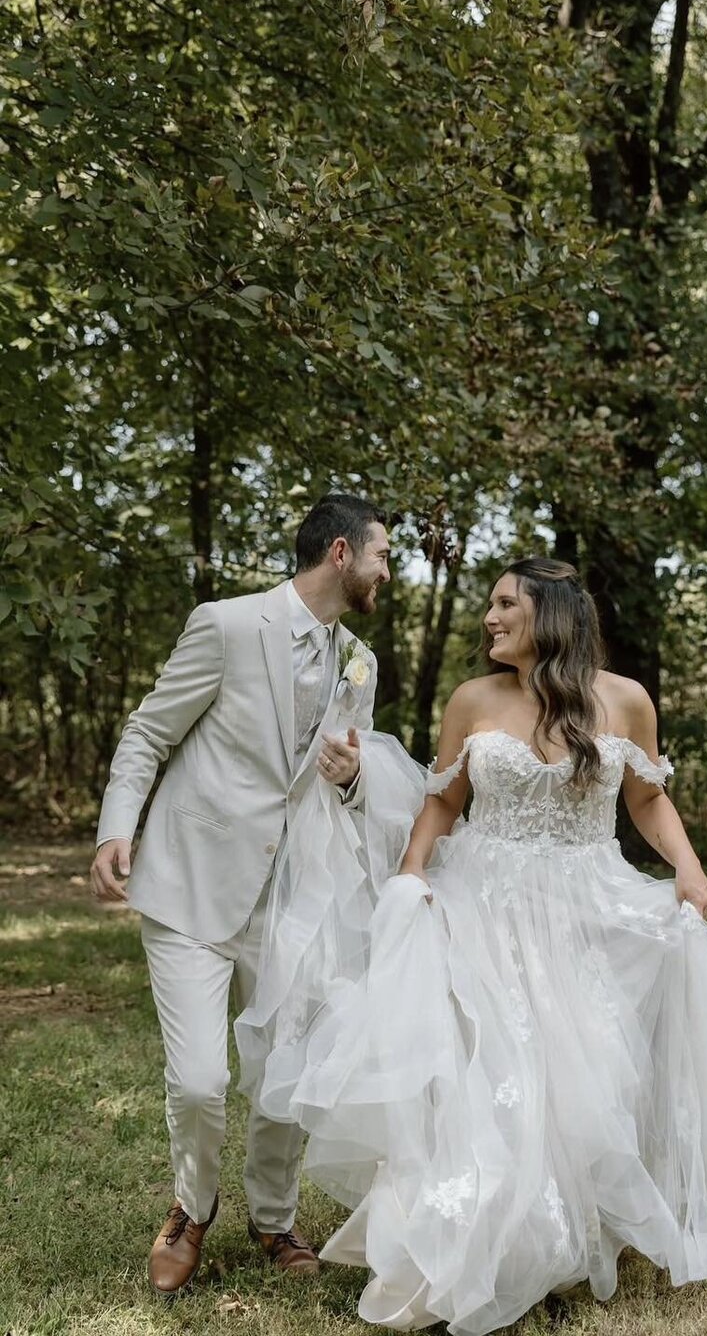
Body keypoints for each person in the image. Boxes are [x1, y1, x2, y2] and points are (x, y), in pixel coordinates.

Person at [239, 555, 707, 1336]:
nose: (490, 617)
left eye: (505, 604)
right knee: (496, 1075)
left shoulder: (625, 701)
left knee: (584, 1072)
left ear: (552, 611)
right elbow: (442, 802)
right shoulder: (472, 700)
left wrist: (690, 869)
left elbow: (646, 796)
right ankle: (491, 1240)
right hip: (485, 901)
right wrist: (410, 878)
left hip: (586, 900)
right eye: (490, 605)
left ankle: (573, 1233)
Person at [89, 493, 390, 1296]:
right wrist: (117, 824)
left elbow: (350, 780)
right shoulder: (224, 624)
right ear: (338, 553)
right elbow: (150, 730)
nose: (385, 571)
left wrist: (354, 779)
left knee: (284, 1072)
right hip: (191, 882)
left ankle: (274, 1213)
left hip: (292, 896)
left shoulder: (359, 661)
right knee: (199, 1081)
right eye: (380, 555)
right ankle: (191, 1207)